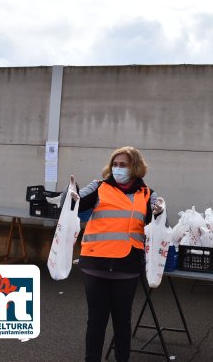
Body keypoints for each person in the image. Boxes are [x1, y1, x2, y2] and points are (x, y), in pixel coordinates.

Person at [66, 146, 164, 362]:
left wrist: (160, 212)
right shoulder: (99, 187)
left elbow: (156, 221)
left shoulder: (148, 195)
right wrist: (70, 196)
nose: (118, 169)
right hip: (95, 264)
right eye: (115, 164)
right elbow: (78, 202)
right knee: (96, 321)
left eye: (124, 165)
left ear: (135, 167)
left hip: (126, 267)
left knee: (122, 323)